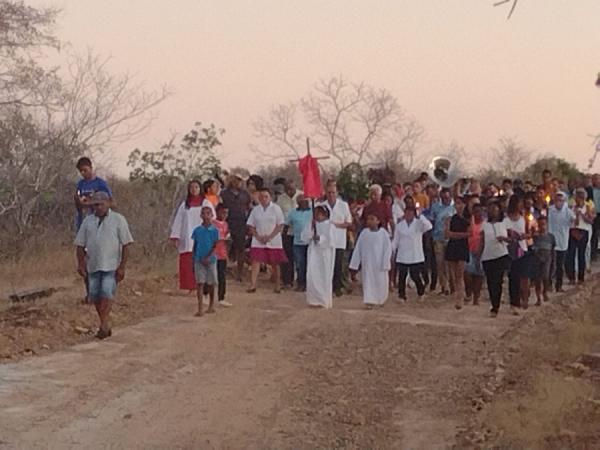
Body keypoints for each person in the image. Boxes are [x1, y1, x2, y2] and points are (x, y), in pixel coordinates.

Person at [75, 192, 133, 339]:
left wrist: (122, 266)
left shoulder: (118, 220)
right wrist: (81, 264)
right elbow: (80, 245)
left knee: (107, 294)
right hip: (93, 264)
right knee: (95, 296)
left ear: (108, 203)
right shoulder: (88, 222)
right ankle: (104, 323)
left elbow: (126, 244)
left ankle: (104, 325)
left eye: (101, 204)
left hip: (111, 264)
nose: (98, 207)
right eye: (95, 204)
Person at [246, 188, 287, 293]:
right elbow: (251, 225)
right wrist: (258, 236)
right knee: (255, 261)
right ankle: (253, 284)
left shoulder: (276, 208)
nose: (263, 199)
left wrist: (270, 237)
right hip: (258, 239)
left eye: (266, 196)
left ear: (270, 197)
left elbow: (280, 225)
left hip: (273, 239)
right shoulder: (256, 209)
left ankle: (277, 285)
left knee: (275, 263)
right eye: (261, 197)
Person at [349, 213, 393, 308]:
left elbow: (388, 249)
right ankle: (369, 300)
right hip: (367, 263)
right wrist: (355, 264)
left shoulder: (383, 234)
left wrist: (386, 262)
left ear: (378, 221)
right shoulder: (364, 233)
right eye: (368, 219)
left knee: (381, 281)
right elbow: (358, 248)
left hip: (380, 264)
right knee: (368, 281)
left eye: (372, 219)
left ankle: (381, 299)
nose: (370, 221)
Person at [317, 183, 353, 297]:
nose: (331, 195)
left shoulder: (343, 205)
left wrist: (335, 225)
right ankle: (327, 287)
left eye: (333, 192)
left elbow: (348, 222)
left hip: (339, 240)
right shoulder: (322, 205)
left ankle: (337, 288)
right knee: (327, 265)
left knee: (338, 265)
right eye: (329, 192)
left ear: (337, 193)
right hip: (326, 240)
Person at [169, 180, 205, 292]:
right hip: (187, 236)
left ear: (200, 189)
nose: (194, 189)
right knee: (188, 262)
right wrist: (176, 236)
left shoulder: (206, 203)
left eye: (196, 187)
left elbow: (212, 219)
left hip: (202, 236)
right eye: (192, 187)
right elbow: (178, 220)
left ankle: (202, 286)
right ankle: (189, 286)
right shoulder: (185, 205)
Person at [393, 206, 432, 301]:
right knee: (402, 276)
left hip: (415, 254)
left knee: (415, 275)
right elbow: (396, 240)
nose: (408, 215)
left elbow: (429, 226)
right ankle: (401, 295)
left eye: (411, 213)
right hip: (402, 253)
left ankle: (421, 292)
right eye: (406, 213)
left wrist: (421, 216)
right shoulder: (400, 225)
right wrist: (392, 250)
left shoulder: (419, 224)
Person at [480, 202, 510, 318]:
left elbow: (510, 238)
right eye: (491, 209)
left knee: (498, 280)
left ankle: (495, 306)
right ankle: (494, 302)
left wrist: (504, 238)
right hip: (488, 255)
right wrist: (479, 255)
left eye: (495, 209)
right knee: (490, 282)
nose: (493, 211)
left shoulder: (504, 223)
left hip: (500, 254)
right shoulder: (485, 225)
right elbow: (482, 241)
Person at [220, 173, 251, 282]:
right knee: (224, 246)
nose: (238, 182)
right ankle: (223, 270)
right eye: (236, 180)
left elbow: (249, 208)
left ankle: (239, 273)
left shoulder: (245, 194)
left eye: (240, 180)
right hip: (227, 223)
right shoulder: (224, 194)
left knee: (240, 248)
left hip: (241, 223)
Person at [191, 206, 220, 316]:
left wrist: (208, 257)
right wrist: (193, 260)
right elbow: (195, 246)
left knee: (211, 283)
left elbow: (215, 245)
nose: (206, 216)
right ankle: (200, 308)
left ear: (212, 215)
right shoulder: (197, 230)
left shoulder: (214, 231)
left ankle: (211, 305)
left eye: (208, 213)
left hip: (210, 260)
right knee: (200, 283)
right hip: (199, 259)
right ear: (201, 216)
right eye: (204, 213)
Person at [305, 206, 336, 308]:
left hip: (324, 253)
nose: (317, 215)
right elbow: (304, 237)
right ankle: (313, 299)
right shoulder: (312, 224)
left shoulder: (330, 225)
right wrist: (311, 229)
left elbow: (331, 240)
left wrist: (320, 238)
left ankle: (323, 300)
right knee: (312, 275)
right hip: (314, 252)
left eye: (319, 213)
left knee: (324, 276)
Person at [503, 195, 529, 313]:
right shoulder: (506, 219)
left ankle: (521, 299)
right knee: (512, 276)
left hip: (521, 249)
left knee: (520, 276)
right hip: (510, 249)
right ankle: (513, 302)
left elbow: (526, 232)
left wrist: (524, 236)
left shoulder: (523, 218)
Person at [444, 196, 470, 310]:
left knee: (460, 273)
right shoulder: (450, 219)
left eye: (461, 204)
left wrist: (455, 235)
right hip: (453, 246)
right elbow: (447, 233)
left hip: (463, 247)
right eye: (457, 204)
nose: (459, 206)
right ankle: (458, 295)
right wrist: (460, 235)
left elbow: (469, 233)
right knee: (454, 274)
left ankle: (460, 297)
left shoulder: (468, 219)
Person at [276, 180, 302, 289]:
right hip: (286, 232)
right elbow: (278, 214)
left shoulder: (302, 196)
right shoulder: (281, 199)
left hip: (300, 232)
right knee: (287, 257)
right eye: (287, 189)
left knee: (300, 258)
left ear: (295, 186)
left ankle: (301, 282)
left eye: (291, 188)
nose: (289, 191)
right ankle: (287, 281)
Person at [74, 157, 113, 231]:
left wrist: (91, 202)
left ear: (91, 168)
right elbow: (78, 204)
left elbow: (111, 202)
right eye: (80, 171)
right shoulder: (80, 184)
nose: (83, 173)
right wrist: (78, 200)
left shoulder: (101, 184)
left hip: (98, 223)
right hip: (83, 222)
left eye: (85, 170)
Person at [566, 188, 595, 284]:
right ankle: (572, 277)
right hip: (573, 230)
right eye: (577, 197)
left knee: (581, 255)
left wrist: (582, 215)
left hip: (583, 230)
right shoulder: (572, 207)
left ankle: (581, 277)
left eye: (580, 197)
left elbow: (591, 221)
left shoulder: (587, 207)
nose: (578, 199)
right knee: (571, 255)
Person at [548, 192, 575, 292]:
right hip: (551, 240)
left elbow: (574, 222)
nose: (559, 203)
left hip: (563, 240)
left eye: (561, 200)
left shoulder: (568, 211)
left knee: (560, 265)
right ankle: (549, 284)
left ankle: (558, 286)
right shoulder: (550, 210)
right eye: (557, 200)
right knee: (550, 264)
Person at [430, 188, 455, 295]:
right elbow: (432, 221)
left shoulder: (454, 207)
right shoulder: (435, 206)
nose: (446, 200)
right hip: (438, 237)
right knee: (440, 263)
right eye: (444, 198)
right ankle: (444, 286)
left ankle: (453, 285)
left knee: (450, 264)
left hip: (451, 239)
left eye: (447, 198)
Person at [285, 195, 313, 291]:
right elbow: (286, 225)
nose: (304, 203)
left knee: (310, 264)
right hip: (297, 243)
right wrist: (284, 238)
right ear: (298, 203)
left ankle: (309, 284)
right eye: (302, 201)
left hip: (311, 243)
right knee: (300, 264)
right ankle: (301, 284)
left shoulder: (313, 212)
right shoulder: (293, 213)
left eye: (306, 201)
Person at [531, 216, 555, 305]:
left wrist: (553, 260)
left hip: (547, 258)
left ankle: (545, 291)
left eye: (544, 224)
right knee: (537, 279)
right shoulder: (535, 236)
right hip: (537, 258)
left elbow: (552, 249)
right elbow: (532, 247)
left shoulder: (551, 237)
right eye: (540, 225)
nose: (542, 227)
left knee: (546, 276)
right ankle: (538, 298)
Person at [464, 203, 485, 306]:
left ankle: (476, 297)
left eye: (479, 211)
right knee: (467, 274)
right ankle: (469, 293)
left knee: (479, 275)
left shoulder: (485, 224)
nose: (477, 214)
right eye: (475, 211)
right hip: (469, 250)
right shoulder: (469, 222)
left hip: (481, 251)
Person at [213, 204, 232, 307]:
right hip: (213, 254)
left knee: (222, 276)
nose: (225, 215)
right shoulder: (213, 224)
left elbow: (227, 238)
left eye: (226, 213)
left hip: (222, 254)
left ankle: (221, 297)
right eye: (223, 212)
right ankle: (207, 294)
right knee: (211, 276)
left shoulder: (226, 225)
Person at [588, 173, 600, 262]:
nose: (596, 181)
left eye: (598, 179)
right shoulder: (589, 190)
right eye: (594, 179)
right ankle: (593, 254)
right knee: (594, 234)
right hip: (594, 214)